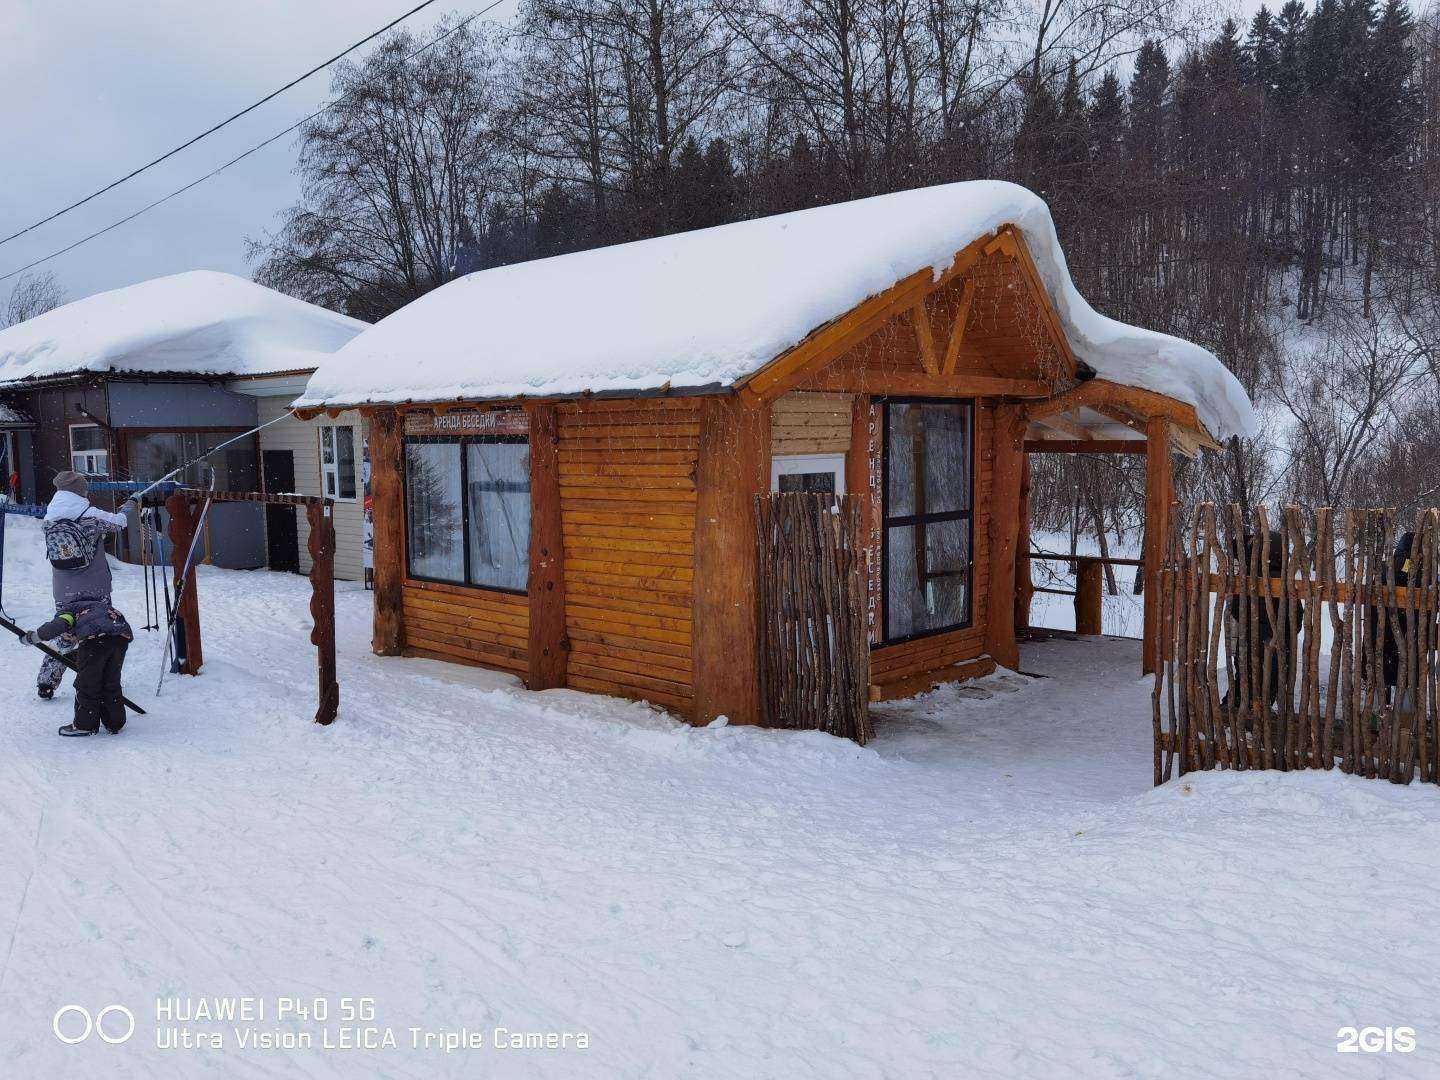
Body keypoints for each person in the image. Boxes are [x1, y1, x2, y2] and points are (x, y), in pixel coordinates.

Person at [37, 470, 135, 699]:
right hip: (95, 589)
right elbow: (120, 523)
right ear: (81, 491)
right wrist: (130, 503)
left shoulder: (50, 517)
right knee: (98, 634)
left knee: (64, 631)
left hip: (64, 589)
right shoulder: (90, 514)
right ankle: (97, 678)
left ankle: (47, 681)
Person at [25, 600, 133, 736]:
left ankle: (85, 725)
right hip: (120, 638)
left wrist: (32, 637)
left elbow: (55, 627)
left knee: (88, 683)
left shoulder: (68, 612)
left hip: (95, 639)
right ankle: (114, 722)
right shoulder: (97, 606)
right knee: (110, 681)